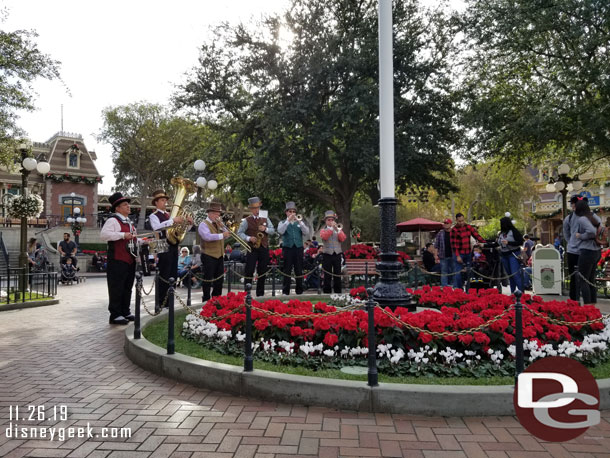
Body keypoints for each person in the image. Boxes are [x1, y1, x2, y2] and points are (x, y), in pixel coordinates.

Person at [149, 189, 192, 307]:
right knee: (164, 273)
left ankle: (169, 301)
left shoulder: (169, 215)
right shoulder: (153, 215)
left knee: (172, 273)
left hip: (174, 245)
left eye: (166, 200)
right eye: (162, 200)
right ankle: (160, 302)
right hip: (162, 244)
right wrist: (173, 220)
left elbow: (181, 230)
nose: (165, 202)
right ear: (156, 203)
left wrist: (189, 224)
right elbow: (157, 227)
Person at [100, 192, 138, 325]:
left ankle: (125, 311)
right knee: (117, 287)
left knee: (127, 287)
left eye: (128, 204)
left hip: (130, 259)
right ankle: (115, 314)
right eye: (125, 204)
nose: (128, 206)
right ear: (117, 208)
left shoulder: (129, 223)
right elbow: (104, 235)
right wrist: (122, 235)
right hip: (117, 259)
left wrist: (144, 241)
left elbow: (132, 240)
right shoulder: (112, 220)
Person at [237, 196, 275, 297]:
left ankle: (260, 294)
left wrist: (265, 229)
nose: (256, 210)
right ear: (251, 209)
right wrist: (249, 238)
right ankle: (247, 294)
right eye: (254, 208)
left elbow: (272, 230)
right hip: (252, 248)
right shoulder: (247, 220)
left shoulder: (265, 218)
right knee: (249, 270)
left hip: (263, 247)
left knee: (262, 271)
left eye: (257, 208)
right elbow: (239, 233)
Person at [198, 201, 231, 301]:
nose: (218, 216)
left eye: (219, 214)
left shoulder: (218, 224)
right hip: (208, 255)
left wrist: (222, 227)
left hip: (219, 255)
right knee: (208, 279)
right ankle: (206, 299)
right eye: (216, 214)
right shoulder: (203, 224)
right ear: (210, 213)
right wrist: (222, 235)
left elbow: (226, 234)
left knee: (219, 280)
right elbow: (207, 237)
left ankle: (217, 299)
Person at [277, 201, 310, 295]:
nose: (292, 213)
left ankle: (299, 290)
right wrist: (288, 221)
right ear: (286, 212)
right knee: (287, 269)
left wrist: (300, 222)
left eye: (293, 211)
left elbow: (306, 232)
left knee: (299, 269)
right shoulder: (282, 222)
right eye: (290, 211)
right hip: (287, 248)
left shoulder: (299, 222)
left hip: (298, 248)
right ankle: (285, 291)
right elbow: (280, 231)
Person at [574, 199, 602, 304]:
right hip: (597, 250)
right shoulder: (594, 216)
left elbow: (591, 232)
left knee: (583, 279)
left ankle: (587, 306)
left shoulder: (582, 219)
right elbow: (600, 229)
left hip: (587, 251)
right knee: (590, 279)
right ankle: (593, 306)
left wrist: (580, 236)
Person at [450, 213, 486, 289]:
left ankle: (469, 290)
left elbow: (477, 235)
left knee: (470, 273)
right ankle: (459, 289)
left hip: (468, 253)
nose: (461, 222)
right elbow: (454, 245)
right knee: (458, 274)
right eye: (459, 221)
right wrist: (458, 256)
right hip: (459, 253)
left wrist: (485, 243)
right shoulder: (454, 230)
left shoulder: (468, 227)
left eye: (462, 220)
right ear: (456, 220)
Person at [319, 210, 347, 294]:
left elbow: (343, 239)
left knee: (337, 273)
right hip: (327, 254)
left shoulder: (338, 229)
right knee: (327, 274)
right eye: (329, 220)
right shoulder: (323, 230)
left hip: (337, 253)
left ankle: (338, 291)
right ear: (326, 221)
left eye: (332, 220)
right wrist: (331, 228)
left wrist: (338, 230)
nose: (331, 221)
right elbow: (325, 237)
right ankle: (327, 291)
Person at [563, 195, 585, 301]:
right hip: (581, 251)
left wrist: (571, 242)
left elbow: (566, 234)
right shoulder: (569, 218)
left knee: (576, 277)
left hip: (575, 251)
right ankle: (579, 301)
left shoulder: (569, 217)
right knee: (583, 277)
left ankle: (574, 301)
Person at [497, 216, 524, 294]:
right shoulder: (501, 233)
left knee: (515, 274)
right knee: (510, 276)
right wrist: (484, 245)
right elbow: (497, 243)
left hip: (513, 254)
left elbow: (520, 242)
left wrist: (509, 243)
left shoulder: (513, 231)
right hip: (504, 255)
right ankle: (513, 292)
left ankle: (521, 294)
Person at [434, 218, 454, 287]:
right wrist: (436, 255)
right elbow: (436, 245)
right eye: (445, 223)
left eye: (447, 223)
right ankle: (444, 286)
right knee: (444, 271)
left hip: (453, 255)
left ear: (450, 224)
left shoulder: (454, 232)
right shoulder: (440, 233)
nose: (445, 225)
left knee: (453, 271)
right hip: (443, 256)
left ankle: (452, 285)